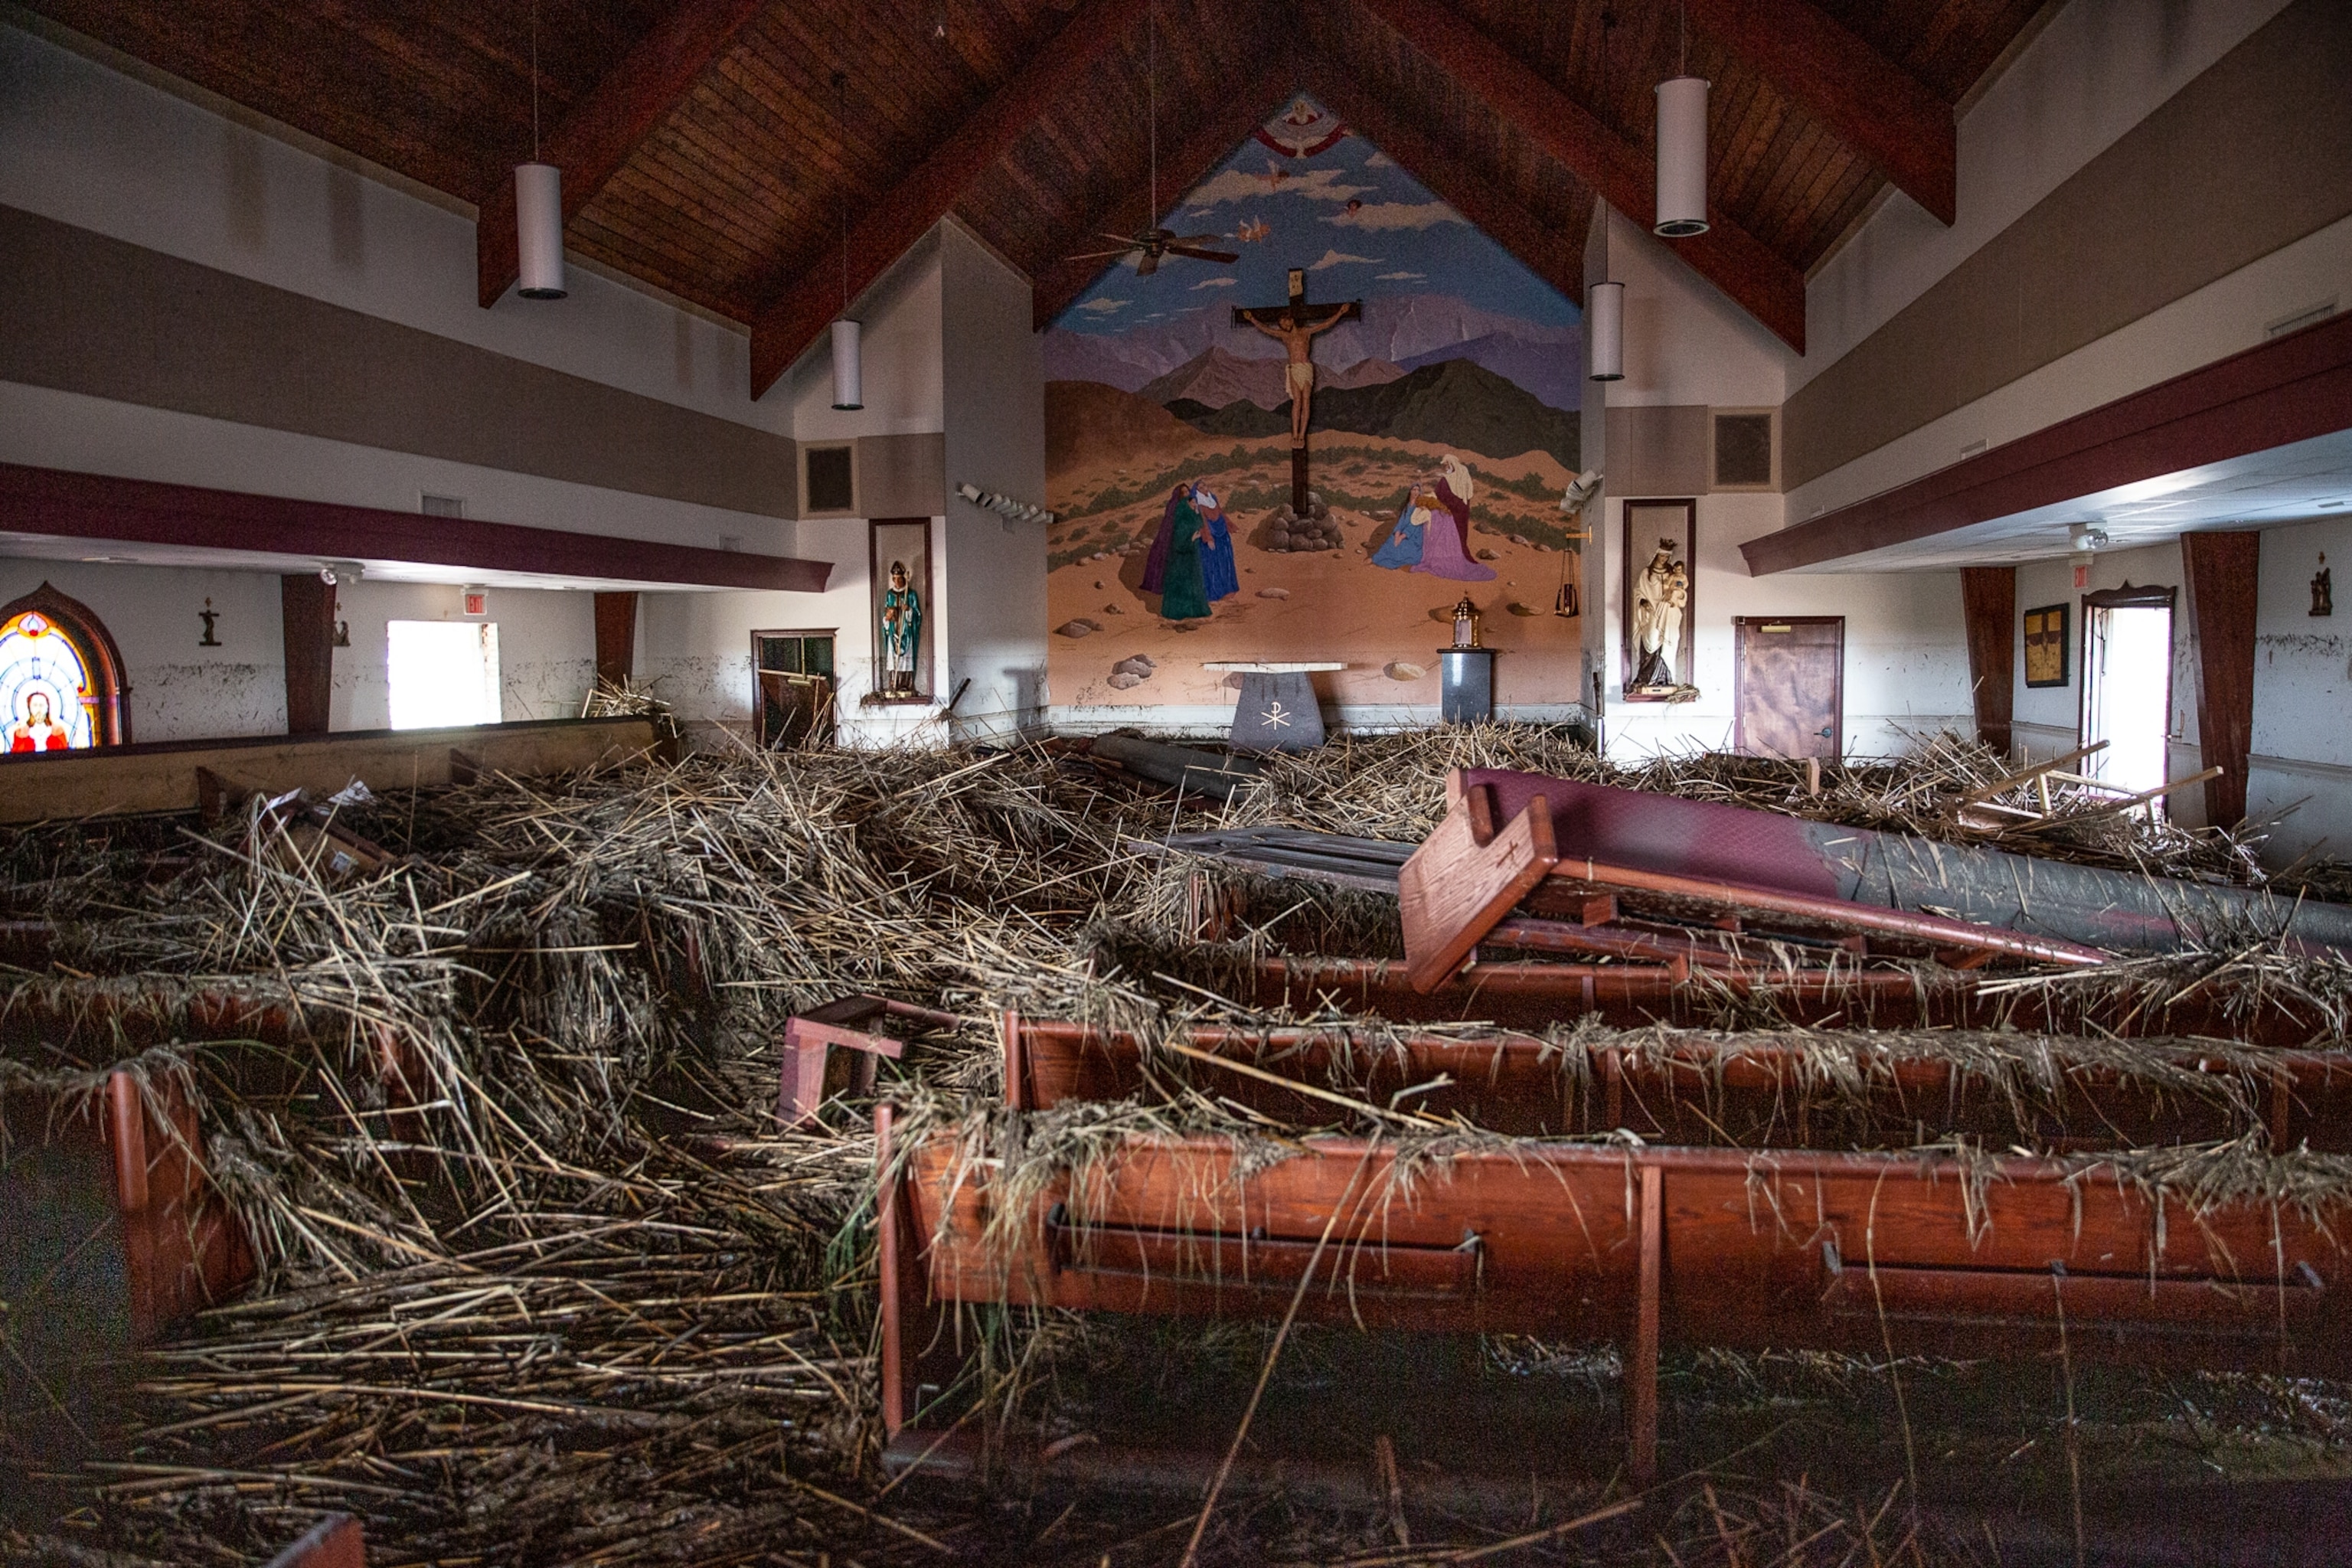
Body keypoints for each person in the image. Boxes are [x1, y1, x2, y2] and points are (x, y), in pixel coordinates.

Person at [1243, 307, 1348, 446]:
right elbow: (1267, 329)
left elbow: (1325, 324)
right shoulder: (1284, 336)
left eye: (1285, 322)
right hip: (1294, 369)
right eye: (1281, 325)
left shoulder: (1306, 332)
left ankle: (1302, 435)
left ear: (1291, 319)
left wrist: (1340, 312)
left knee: (1306, 402)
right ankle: (1295, 434)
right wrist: (1252, 319)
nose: (1284, 326)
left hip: (1305, 368)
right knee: (1297, 403)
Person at [1402, 454, 1494, 582]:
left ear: (1451, 464)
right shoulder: (1464, 477)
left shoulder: (1446, 480)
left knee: (1440, 531)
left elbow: (1439, 496)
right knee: (1458, 537)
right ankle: (1453, 557)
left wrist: (1427, 500)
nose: (1445, 468)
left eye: (1446, 465)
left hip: (1449, 514)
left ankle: (1442, 559)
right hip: (1460, 513)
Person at [1631, 539, 1690, 688]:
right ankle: (1646, 676)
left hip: (1668, 611)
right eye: (1661, 556)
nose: (1663, 559)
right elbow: (1638, 592)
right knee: (1651, 638)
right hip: (1651, 611)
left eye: (1666, 557)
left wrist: (1678, 595)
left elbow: (1681, 589)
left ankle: (1664, 676)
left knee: (1668, 640)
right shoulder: (1646, 573)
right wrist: (1643, 602)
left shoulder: (1673, 574)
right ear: (1656, 555)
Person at [879, 561, 923, 695]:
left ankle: (906, 685)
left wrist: (908, 609)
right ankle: (894, 684)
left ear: (904, 578)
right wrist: (888, 616)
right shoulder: (890, 594)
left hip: (906, 632)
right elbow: (886, 611)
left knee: (906, 658)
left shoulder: (911, 594)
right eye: (895, 579)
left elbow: (918, 614)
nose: (897, 582)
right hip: (893, 631)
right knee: (893, 657)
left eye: (899, 579)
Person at [7, 689, 73, 752]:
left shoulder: (58, 731)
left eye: (42, 705)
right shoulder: (20, 733)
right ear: (29, 708)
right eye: (35, 705)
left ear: (47, 707)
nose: (39, 709)